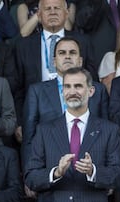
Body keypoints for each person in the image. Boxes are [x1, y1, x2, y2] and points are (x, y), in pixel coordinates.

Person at [24, 67, 120, 202]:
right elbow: (31, 177)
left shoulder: (109, 130)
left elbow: (118, 175)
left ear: (91, 91)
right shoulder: (45, 130)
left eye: (78, 86)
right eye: (67, 87)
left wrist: (93, 171)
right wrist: (56, 172)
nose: (72, 91)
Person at [14, 0, 96, 143]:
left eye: (57, 8)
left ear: (67, 13)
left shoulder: (83, 41)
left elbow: (92, 79)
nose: (52, 12)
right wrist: (20, 122)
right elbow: (19, 89)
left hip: (79, 113)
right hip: (39, 116)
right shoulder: (23, 46)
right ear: (38, 15)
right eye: (47, 9)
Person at [22, 37, 109, 169]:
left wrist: (104, 172)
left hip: (90, 165)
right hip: (49, 167)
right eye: (62, 53)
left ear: (80, 61)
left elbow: (106, 132)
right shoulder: (37, 91)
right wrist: (29, 174)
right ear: (54, 61)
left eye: (72, 53)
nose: (67, 56)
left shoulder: (98, 89)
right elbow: (29, 138)